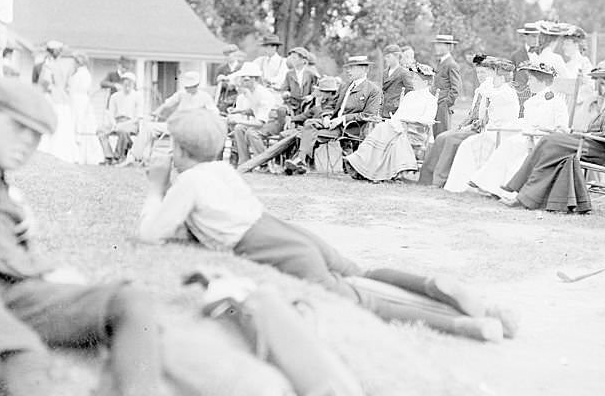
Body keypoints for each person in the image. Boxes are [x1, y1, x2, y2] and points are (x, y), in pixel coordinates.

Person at [0, 77, 189, 396]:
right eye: (17, 127)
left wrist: (22, 227)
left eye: (36, 135)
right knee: (23, 353)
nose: (27, 142)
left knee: (129, 300)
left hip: (10, 292)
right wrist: (38, 269)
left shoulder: (0, 181)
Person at [137, 107, 516, 342]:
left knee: (354, 298)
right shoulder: (221, 170)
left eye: (172, 146)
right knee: (358, 271)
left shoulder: (187, 182)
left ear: (183, 151)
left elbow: (150, 235)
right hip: (284, 230)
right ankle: (439, 289)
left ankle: (462, 326)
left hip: (265, 245)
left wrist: (156, 188)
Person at [501, 67, 605, 213]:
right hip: (588, 143)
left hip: (601, 150)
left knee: (548, 141)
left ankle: (518, 189)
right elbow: (594, 130)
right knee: (549, 150)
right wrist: (574, 132)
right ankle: (524, 196)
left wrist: (584, 134)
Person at [469, 62, 570, 199]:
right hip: (528, 138)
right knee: (508, 145)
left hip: (545, 142)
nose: (528, 84)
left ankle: (504, 190)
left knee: (513, 149)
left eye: (531, 80)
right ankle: (490, 185)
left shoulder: (557, 102)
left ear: (542, 82)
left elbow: (562, 129)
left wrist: (541, 132)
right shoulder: (530, 102)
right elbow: (526, 124)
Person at [283, 55, 382, 175]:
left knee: (305, 132)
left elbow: (368, 115)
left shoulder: (373, 90)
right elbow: (331, 105)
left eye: (352, 68)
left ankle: (300, 161)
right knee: (309, 124)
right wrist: (326, 116)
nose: (348, 71)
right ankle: (301, 160)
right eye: (348, 68)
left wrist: (342, 119)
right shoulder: (345, 86)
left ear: (364, 70)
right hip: (334, 125)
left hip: (352, 128)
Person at [418, 55, 505, 188]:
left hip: (481, 129)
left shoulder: (494, 92)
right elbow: (472, 114)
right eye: (478, 72)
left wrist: (470, 126)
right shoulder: (480, 90)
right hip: (471, 125)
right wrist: (461, 125)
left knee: (451, 141)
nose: (480, 75)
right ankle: (426, 178)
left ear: (492, 73)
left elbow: (488, 117)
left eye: (484, 72)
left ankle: (440, 180)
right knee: (441, 137)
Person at [346, 63, 437, 181]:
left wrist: (407, 121)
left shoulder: (430, 99)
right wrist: (395, 119)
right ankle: (360, 164)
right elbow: (398, 115)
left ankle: (365, 167)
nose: (413, 81)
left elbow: (428, 119)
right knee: (380, 128)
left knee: (383, 130)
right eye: (413, 78)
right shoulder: (409, 96)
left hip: (415, 131)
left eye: (416, 79)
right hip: (398, 127)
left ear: (425, 82)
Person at [443, 57, 520, 193]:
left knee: (470, 144)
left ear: (502, 78)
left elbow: (491, 95)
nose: (491, 78)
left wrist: (487, 84)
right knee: (467, 145)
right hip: (492, 130)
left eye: (494, 76)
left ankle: (477, 181)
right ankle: (461, 184)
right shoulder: (495, 89)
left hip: (504, 132)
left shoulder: (506, 92)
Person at [238, 76, 341, 172]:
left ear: (329, 93)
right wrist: (290, 119)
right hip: (307, 129)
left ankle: (294, 163)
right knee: (284, 134)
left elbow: (322, 119)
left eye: (321, 91)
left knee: (292, 136)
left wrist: (318, 105)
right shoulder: (319, 102)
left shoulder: (333, 104)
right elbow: (303, 116)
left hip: (319, 131)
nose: (317, 93)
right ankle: (284, 164)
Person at [122, 71, 217, 167]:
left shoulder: (205, 97)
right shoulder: (181, 94)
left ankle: (173, 159)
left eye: (190, 86)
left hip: (192, 128)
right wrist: (157, 112)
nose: (187, 88)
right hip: (175, 124)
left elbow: (214, 113)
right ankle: (134, 157)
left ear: (196, 85)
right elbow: (166, 105)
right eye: (186, 86)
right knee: (148, 127)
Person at [228, 60, 282, 165]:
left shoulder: (263, 94)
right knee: (238, 128)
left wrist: (238, 120)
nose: (243, 81)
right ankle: (244, 161)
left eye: (247, 79)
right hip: (264, 121)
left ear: (255, 79)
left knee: (251, 132)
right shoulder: (252, 92)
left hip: (274, 122)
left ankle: (263, 163)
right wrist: (239, 111)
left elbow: (260, 122)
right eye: (243, 78)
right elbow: (255, 111)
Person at [35, 40, 78, 163]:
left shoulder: (48, 66)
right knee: (63, 126)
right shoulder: (67, 66)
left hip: (52, 97)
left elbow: (45, 83)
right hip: (64, 99)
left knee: (48, 125)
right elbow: (70, 85)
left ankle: (48, 151)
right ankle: (64, 153)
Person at [97, 72, 143, 164]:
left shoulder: (137, 96)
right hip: (116, 121)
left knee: (123, 132)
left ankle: (118, 157)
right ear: (122, 83)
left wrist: (122, 125)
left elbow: (138, 117)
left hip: (131, 123)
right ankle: (109, 156)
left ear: (133, 84)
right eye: (125, 83)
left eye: (130, 84)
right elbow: (111, 113)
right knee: (101, 131)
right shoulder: (115, 96)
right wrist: (114, 124)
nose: (127, 86)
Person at [68, 53, 104, 165]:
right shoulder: (82, 73)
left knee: (80, 125)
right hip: (79, 100)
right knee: (79, 124)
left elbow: (76, 88)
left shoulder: (81, 74)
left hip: (79, 101)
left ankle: (80, 155)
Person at [431, 34, 462, 136]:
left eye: (440, 45)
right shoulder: (441, 62)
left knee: (443, 135)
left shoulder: (451, 64)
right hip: (437, 104)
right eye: (437, 45)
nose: (437, 47)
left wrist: (446, 103)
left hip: (443, 105)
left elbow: (456, 88)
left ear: (449, 47)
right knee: (437, 135)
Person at [510, 22, 540, 113]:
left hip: (538, 98)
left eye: (537, 36)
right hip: (520, 98)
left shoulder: (542, 54)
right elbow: (512, 77)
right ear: (525, 37)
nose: (536, 39)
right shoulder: (516, 55)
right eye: (533, 36)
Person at [281, 45, 318, 116]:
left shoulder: (311, 74)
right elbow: (284, 88)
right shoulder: (289, 74)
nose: (292, 60)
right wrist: (286, 93)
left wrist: (311, 96)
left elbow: (316, 89)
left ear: (303, 60)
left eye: (294, 58)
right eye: (291, 58)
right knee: (281, 111)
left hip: (307, 104)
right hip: (292, 104)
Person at [380, 44, 414, 119]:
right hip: (384, 110)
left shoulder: (404, 73)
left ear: (397, 56)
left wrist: (399, 103)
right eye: (385, 57)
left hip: (397, 111)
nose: (386, 59)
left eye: (388, 57)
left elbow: (410, 93)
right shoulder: (384, 72)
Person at [214, 45, 244, 112]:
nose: (227, 57)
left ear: (236, 54)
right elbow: (218, 87)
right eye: (225, 55)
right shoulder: (221, 69)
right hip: (225, 99)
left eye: (229, 54)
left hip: (240, 98)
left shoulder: (243, 67)